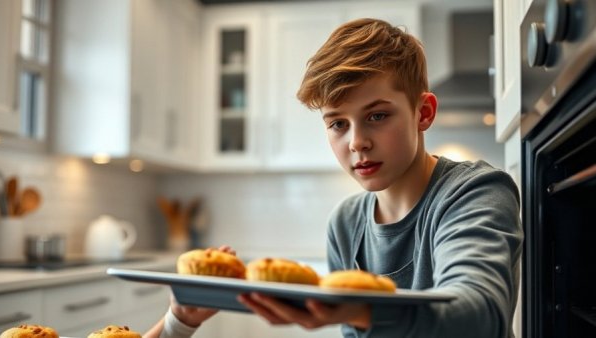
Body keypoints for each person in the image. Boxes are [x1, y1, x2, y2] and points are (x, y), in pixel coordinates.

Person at [146, 18, 523, 338]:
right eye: (338, 124)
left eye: (377, 115)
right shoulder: (346, 223)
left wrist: (361, 310)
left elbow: (481, 316)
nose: (357, 142)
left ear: (423, 113)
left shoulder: (475, 192)